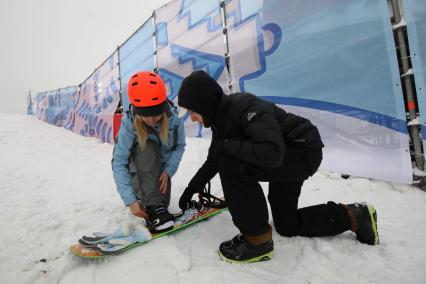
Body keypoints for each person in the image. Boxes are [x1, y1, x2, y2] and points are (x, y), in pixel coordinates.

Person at [177, 70, 379, 263]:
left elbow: (271, 152)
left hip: (302, 151)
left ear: (205, 103)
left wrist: (229, 145)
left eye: (193, 111)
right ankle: (354, 216)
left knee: (230, 164)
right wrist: (191, 189)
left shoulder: (245, 106)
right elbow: (214, 158)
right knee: (287, 224)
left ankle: (257, 241)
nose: (192, 117)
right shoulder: (221, 122)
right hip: (289, 154)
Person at [112, 71, 186, 233]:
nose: (152, 120)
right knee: (145, 146)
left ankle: (158, 205)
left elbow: (179, 146)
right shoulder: (128, 125)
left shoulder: (173, 119)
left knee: (162, 202)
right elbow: (119, 162)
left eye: (156, 113)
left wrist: (168, 171)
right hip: (138, 177)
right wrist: (131, 201)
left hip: (160, 180)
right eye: (146, 115)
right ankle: (154, 206)